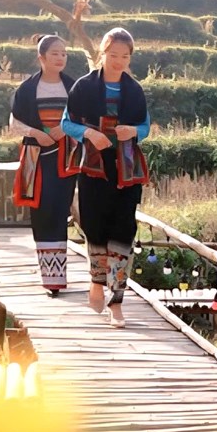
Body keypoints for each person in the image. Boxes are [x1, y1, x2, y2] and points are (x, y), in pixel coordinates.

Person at [61, 27, 150, 328]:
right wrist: (89, 133)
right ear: (103, 54)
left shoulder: (134, 91)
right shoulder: (84, 87)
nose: (119, 61)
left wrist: (133, 131)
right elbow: (67, 123)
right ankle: (97, 282)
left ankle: (117, 301)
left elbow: (145, 127)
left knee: (123, 231)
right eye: (113, 55)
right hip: (94, 168)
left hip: (125, 170)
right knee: (95, 226)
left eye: (124, 56)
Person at [10, 34, 77, 297]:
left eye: (64, 53)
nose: (60, 58)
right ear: (42, 57)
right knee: (41, 213)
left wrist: (65, 128)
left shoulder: (73, 87)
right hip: (36, 158)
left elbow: (84, 118)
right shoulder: (27, 89)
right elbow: (14, 122)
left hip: (65, 158)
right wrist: (37, 133)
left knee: (59, 212)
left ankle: (58, 279)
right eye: (55, 53)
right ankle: (49, 278)